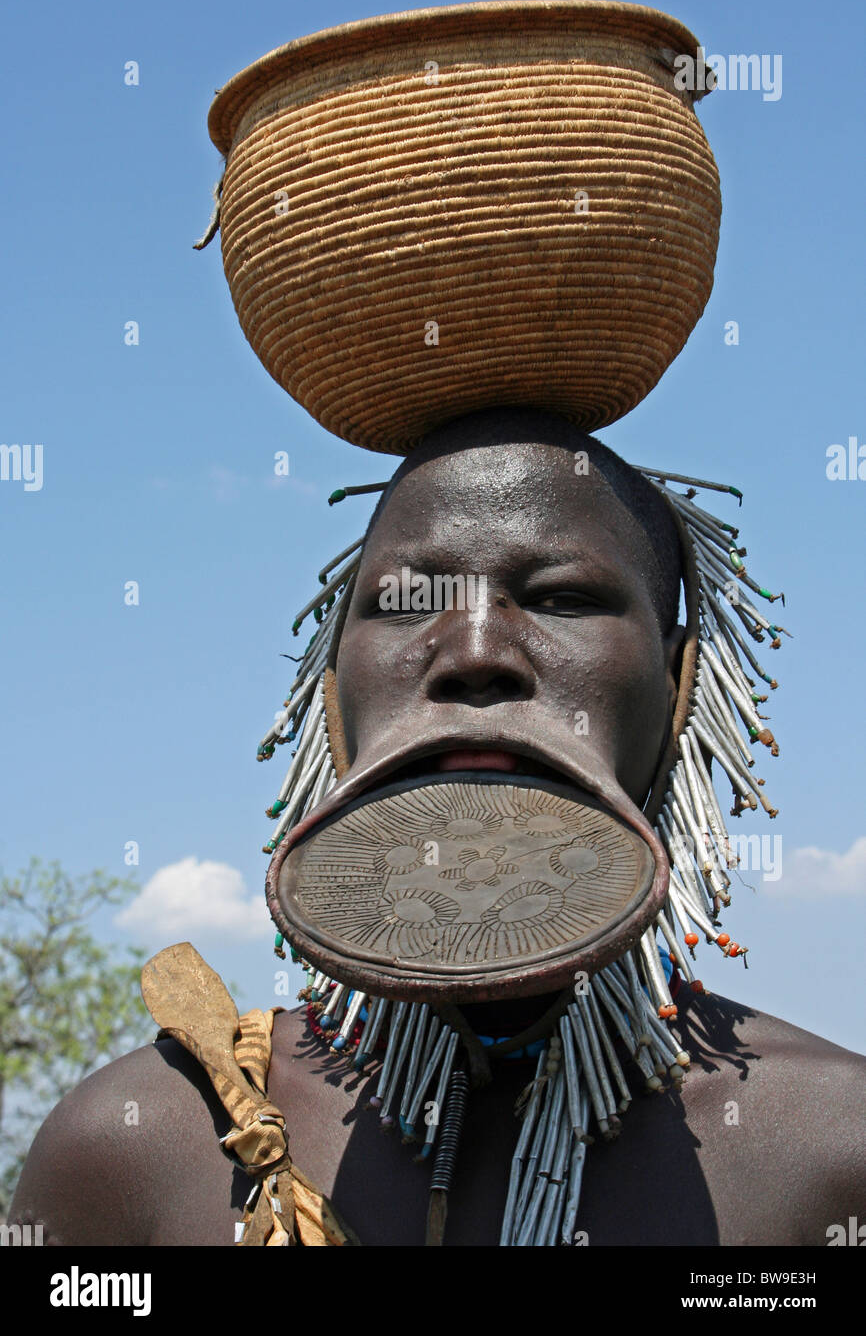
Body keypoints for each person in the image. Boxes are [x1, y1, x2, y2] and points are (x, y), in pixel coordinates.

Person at [10, 411, 866, 1246]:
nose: (476, 650)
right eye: (407, 602)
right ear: (334, 696)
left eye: (564, 597)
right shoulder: (137, 1150)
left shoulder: (831, 1153)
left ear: (680, 691)